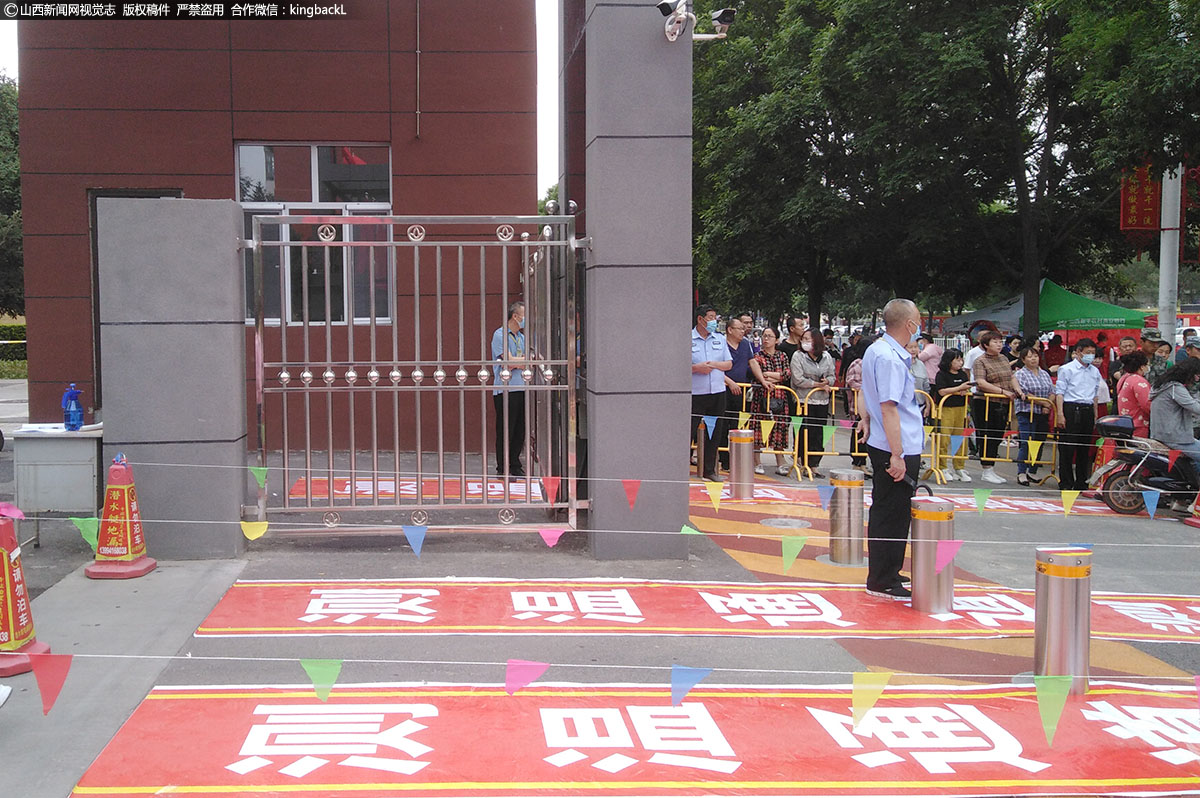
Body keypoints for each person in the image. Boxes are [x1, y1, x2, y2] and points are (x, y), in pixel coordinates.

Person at [858, 298, 926, 600]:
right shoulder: (888, 357)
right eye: (918, 320)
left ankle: (888, 570)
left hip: (890, 441)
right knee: (892, 512)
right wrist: (897, 454)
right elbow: (889, 408)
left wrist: (865, 418)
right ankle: (883, 578)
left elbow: (868, 393)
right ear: (909, 325)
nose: (919, 326)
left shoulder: (879, 350)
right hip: (895, 445)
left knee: (893, 510)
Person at [972, 330, 1023, 484]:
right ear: (986, 345)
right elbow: (981, 382)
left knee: (997, 435)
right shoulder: (980, 361)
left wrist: (1017, 390)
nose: (999, 345)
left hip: (1003, 402)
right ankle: (986, 468)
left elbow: (1011, 376)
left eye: (1000, 342)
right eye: (995, 342)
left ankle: (991, 467)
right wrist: (1003, 392)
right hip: (985, 402)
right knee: (986, 434)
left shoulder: (1003, 358)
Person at [1053, 337, 1104, 491]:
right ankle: (1066, 482)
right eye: (1088, 353)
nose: (1091, 356)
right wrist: (1060, 414)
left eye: (1093, 353)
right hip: (1070, 407)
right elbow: (1060, 393)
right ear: (1078, 352)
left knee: (1084, 448)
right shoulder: (1067, 369)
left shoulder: (1095, 371)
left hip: (1087, 409)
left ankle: (1081, 482)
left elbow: (1095, 395)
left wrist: (1095, 415)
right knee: (1067, 448)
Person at [1149, 359, 1200, 507]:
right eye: (1197, 375)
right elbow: (1193, 406)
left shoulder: (1161, 385)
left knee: (1190, 462)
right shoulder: (1175, 388)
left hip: (1161, 434)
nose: (1197, 378)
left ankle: (1181, 499)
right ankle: (1195, 504)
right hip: (1176, 437)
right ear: (1189, 373)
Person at [691, 304, 732, 482]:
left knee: (714, 432)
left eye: (715, 317)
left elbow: (728, 364)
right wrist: (696, 368)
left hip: (717, 391)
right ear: (700, 319)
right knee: (689, 431)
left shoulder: (720, 339)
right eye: (710, 317)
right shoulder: (688, 338)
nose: (714, 321)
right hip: (695, 393)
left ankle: (709, 469)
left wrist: (713, 365)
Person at [790, 328, 837, 478]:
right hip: (804, 399)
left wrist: (827, 382)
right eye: (803, 339)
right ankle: (802, 461)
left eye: (808, 339)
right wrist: (817, 384)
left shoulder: (827, 357)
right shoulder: (798, 356)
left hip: (822, 401)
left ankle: (814, 464)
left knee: (818, 434)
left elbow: (832, 375)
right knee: (805, 432)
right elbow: (798, 379)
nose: (805, 342)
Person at [491, 300, 528, 477]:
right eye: (524, 315)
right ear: (515, 316)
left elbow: (526, 361)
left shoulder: (522, 338)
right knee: (506, 429)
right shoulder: (500, 335)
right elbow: (508, 362)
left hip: (521, 388)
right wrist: (521, 362)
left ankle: (515, 464)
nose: (525, 319)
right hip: (505, 390)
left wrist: (518, 362)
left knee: (520, 429)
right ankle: (503, 467)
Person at [748, 327, 792, 475]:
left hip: (780, 396)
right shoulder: (757, 356)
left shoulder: (782, 356)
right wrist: (769, 376)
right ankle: (757, 462)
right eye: (764, 336)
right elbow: (759, 375)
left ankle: (780, 461)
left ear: (777, 340)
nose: (766, 339)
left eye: (769, 336)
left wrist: (769, 374)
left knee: (779, 429)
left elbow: (786, 374)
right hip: (761, 396)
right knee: (758, 429)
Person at [1013, 346, 1053, 486]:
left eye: (1035, 356)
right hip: (1026, 411)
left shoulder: (1044, 374)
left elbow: (1051, 391)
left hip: (1043, 412)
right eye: (1029, 356)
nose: (1033, 359)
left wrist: (1048, 405)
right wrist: (1044, 404)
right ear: (1023, 359)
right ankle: (1021, 472)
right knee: (1026, 441)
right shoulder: (1020, 374)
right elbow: (1025, 394)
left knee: (1039, 442)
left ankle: (1032, 471)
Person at [718, 317, 753, 471]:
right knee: (722, 425)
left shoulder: (745, 344)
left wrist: (762, 380)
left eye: (743, 328)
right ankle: (723, 459)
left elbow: (752, 362)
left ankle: (737, 459)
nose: (743, 330)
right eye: (739, 328)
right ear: (730, 330)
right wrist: (730, 382)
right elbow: (715, 367)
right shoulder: (720, 344)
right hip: (723, 388)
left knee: (738, 425)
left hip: (741, 390)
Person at [933, 348, 972, 482]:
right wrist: (958, 389)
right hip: (945, 409)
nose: (960, 363)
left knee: (960, 439)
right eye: (957, 359)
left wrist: (964, 390)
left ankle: (959, 467)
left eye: (961, 359)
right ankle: (942, 466)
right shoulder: (941, 374)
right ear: (948, 361)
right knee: (944, 439)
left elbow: (966, 388)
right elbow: (942, 391)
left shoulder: (962, 375)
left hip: (960, 408)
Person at [843, 336, 873, 472]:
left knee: (867, 435)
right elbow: (852, 382)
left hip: (870, 406)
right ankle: (857, 462)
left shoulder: (872, 363)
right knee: (859, 434)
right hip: (858, 406)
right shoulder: (858, 364)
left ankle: (863, 463)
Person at [1115, 351, 1151, 437]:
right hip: (1138, 424)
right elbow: (1147, 405)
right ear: (1142, 367)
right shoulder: (1139, 381)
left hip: (1126, 423)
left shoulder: (1124, 378)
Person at [905, 339, 930, 415]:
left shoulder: (921, 364)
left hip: (920, 405)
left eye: (915, 347)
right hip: (905, 406)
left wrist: (928, 406)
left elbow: (926, 387)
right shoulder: (899, 364)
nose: (913, 350)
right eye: (910, 347)